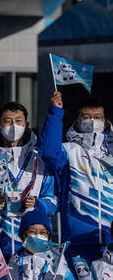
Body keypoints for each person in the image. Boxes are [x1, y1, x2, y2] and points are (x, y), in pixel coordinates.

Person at [0, 102, 57, 258]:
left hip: (33, 241)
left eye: (18, 121)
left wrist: (38, 204)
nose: (13, 126)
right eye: (8, 121)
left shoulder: (40, 161)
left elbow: (53, 201)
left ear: (26, 125)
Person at [40, 92, 111, 263]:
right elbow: (49, 153)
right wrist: (55, 113)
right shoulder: (69, 150)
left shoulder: (112, 152)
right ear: (77, 121)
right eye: (86, 117)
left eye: (97, 117)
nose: (93, 121)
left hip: (111, 240)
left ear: (104, 121)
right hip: (78, 240)